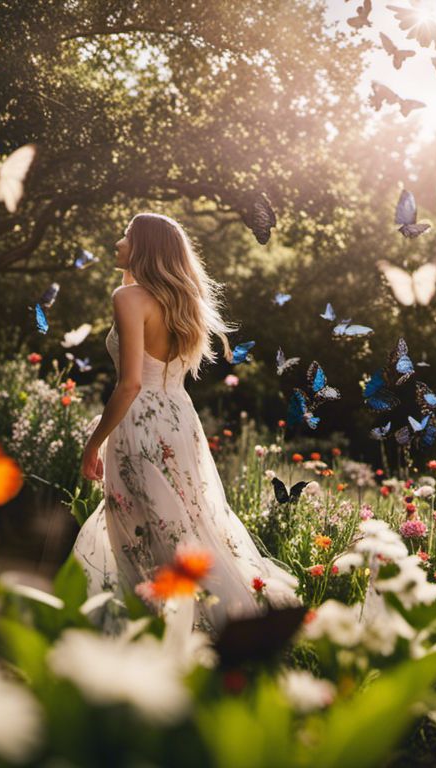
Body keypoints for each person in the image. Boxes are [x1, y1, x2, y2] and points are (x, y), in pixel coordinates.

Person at [71, 213, 298, 631]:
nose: (117, 243)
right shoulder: (181, 301)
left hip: (140, 421)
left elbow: (130, 384)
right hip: (179, 419)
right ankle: (201, 620)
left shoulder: (129, 299)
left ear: (144, 248)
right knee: (184, 521)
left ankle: (161, 624)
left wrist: (94, 442)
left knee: (141, 524)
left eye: (125, 236)